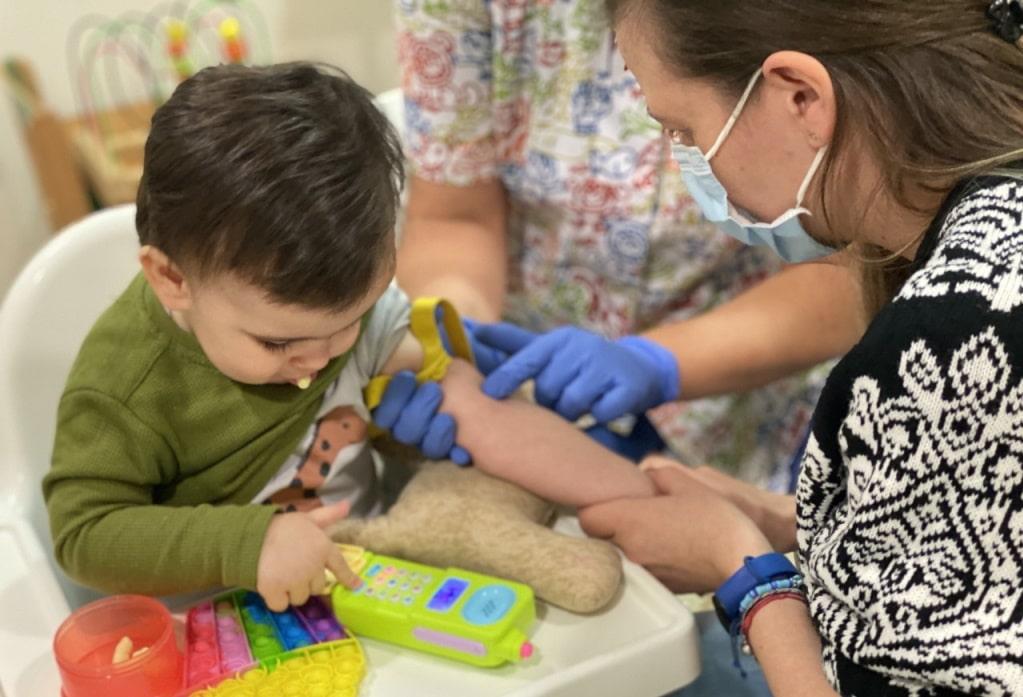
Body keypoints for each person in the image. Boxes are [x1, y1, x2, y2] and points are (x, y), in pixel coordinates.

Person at [41, 61, 659, 613]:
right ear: (172, 278)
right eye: (277, 345)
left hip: (367, 584)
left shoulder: (343, 310)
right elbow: (83, 535)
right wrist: (245, 543)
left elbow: (483, 416)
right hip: (216, 624)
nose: (316, 362)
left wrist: (646, 495)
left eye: (349, 324)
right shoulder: (128, 387)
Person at [576, 1, 1023, 695]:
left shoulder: (954, 334)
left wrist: (745, 570)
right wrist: (793, 523)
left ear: (801, 97)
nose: (690, 162)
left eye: (682, 129)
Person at [391, 0, 865, 488]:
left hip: (754, 411)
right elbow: (455, 218)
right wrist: (450, 339)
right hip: (526, 383)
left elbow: (858, 263)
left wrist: (657, 364)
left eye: (682, 130)